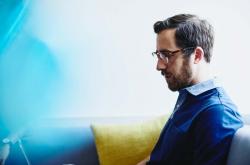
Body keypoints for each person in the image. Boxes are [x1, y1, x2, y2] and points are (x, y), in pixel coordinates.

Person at [137, 14, 243, 165]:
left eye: (166, 55)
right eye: (158, 55)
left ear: (197, 55)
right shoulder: (188, 96)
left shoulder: (217, 113)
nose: (158, 65)